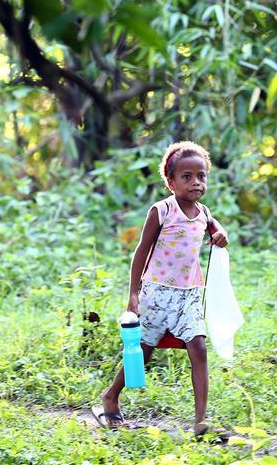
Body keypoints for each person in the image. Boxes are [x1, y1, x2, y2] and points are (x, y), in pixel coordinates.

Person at [94, 141, 229, 435]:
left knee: (199, 348)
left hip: (189, 295)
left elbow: (215, 226)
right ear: (170, 182)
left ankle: (200, 422)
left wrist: (221, 233)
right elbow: (141, 251)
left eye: (201, 176)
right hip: (156, 292)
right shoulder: (162, 210)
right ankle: (111, 396)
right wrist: (133, 294)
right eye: (187, 177)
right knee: (142, 350)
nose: (196, 182)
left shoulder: (204, 213)